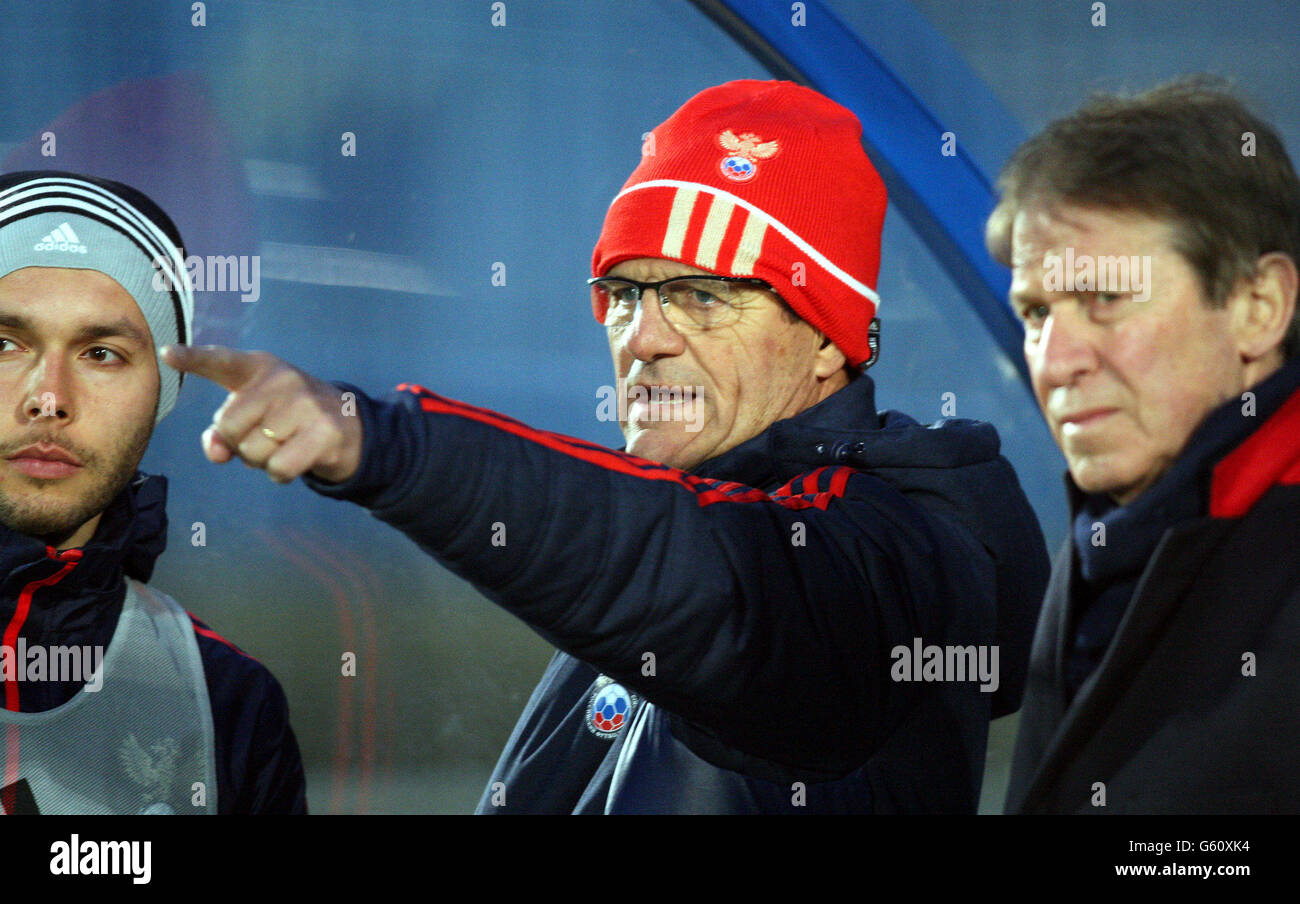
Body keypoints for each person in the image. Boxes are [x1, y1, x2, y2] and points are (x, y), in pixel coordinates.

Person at [165, 80, 1049, 814]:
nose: (643, 336)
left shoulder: (886, 551)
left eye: (704, 297)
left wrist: (384, 447)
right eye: (623, 292)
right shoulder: (694, 511)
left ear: (827, 340)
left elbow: (702, 575)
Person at [987, 76, 1300, 813]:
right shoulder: (1113, 528)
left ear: (1259, 308)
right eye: (1035, 313)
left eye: (1106, 298)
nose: (1056, 360)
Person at [0, 170, 306, 814]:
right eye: (3, 344)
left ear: (162, 396)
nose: (49, 398)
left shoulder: (228, 702)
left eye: (102, 353)